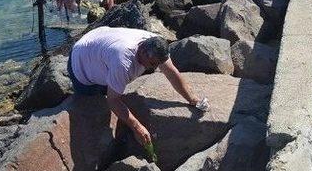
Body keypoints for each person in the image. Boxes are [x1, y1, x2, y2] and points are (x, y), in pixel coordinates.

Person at [67, 26, 209, 147]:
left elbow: (172, 73)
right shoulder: (123, 62)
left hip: (99, 41)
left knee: (113, 87)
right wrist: (137, 127)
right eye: (153, 64)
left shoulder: (154, 44)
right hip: (81, 62)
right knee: (93, 106)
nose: (154, 68)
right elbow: (113, 100)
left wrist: (193, 99)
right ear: (142, 52)